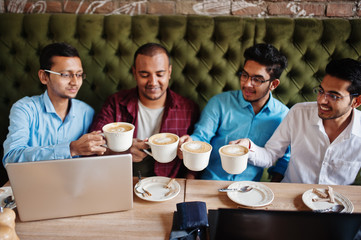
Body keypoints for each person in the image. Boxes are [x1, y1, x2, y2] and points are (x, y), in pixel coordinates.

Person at [233, 58, 361, 185]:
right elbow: (270, 155)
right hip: (291, 197)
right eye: (321, 91)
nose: (322, 100)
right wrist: (248, 147)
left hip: (337, 202)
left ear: (356, 101)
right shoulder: (298, 113)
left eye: (333, 96)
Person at [180, 43, 290, 181]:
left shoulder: (284, 116)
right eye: (245, 75)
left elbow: (284, 161)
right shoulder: (219, 103)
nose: (247, 84)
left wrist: (273, 191)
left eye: (257, 79)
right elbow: (201, 138)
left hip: (250, 190)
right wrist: (190, 142)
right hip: (210, 183)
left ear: (273, 84)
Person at [90, 43, 199, 178]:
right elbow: (93, 146)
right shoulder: (115, 103)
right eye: (144, 74)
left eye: (160, 74)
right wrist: (122, 151)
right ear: (135, 73)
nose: (153, 82)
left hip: (170, 184)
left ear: (169, 72)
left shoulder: (188, 108)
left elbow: (195, 162)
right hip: (123, 178)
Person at [3, 42, 106, 165]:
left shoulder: (86, 112)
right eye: (65, 75)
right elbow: (11, 157)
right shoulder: (24, 109)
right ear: (44, 77)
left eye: (78, 75)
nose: (74, 82)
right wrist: (70, 149)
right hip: (33, 182)